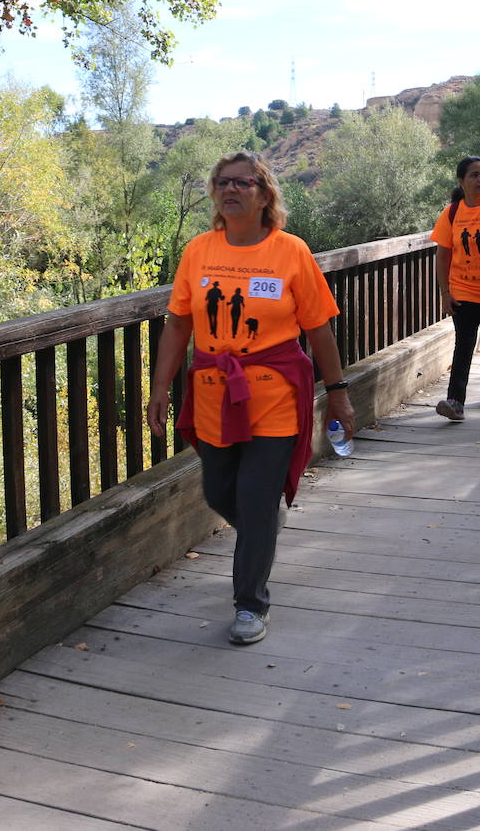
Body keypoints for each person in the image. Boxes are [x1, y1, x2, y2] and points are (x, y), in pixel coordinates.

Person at [148, 152, 355, 646]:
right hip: (214, 390)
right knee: (219, 493)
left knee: (256, 497)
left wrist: (340, 394)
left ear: (265, 194)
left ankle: (250, 604)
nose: (231, 189)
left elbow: (319, 330)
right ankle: (261, 530)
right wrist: (160, 387)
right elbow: (179, 324)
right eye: (222, 182)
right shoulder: (199, 251)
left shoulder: (291, 252)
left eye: (243, 182)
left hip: (275, 394)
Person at [432, 156, 480, 420]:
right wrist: (445, 292)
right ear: (462, 181)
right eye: (474, 175)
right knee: (463, 344)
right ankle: (455, 401)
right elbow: (442, 255)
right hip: (463, 290)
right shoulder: (452, 212)